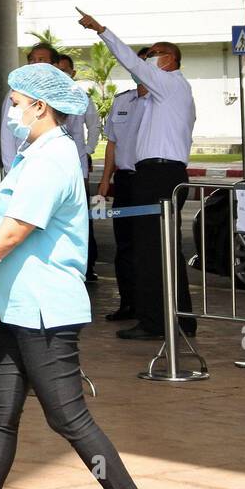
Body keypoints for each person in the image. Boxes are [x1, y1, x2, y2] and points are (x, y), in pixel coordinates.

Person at [0, 63, 144, 489]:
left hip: (43, 310)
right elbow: (24, 220)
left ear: (40, 107)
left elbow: (18, 232)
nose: (10, 112)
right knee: (0, 416)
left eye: (16, 104)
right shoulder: (34, 153)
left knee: (68, 419)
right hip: (13, 306)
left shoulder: (54, 157)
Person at [77, 10, 197, 340]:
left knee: (150, 250)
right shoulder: (164, 95)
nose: (150, 60)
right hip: (160, 173)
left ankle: (154, 323)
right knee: (166, 250)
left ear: (170, 59)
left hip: (159, 175)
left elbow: (131, 61)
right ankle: (181, 320)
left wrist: (101, 29)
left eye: (156, 54)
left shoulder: (169, 84)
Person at [96, 48, 150, 322]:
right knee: (125, 246)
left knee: (149, 246)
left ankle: (149, 307)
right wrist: (106, 179)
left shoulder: (160, 101)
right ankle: (128, 303)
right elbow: (112, 144)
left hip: (150, 180)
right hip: (126, 180)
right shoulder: (122, 101)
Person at [55, 54, 102, 283]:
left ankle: (87, 264)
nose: (62, 73)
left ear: (73, 73)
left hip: (77, 164)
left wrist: (88, 150)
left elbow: (94, 125)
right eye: (58, 69)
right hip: (54, 165)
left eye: (66, 70)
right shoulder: (47, 96)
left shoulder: (82, 97)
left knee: (82, 218)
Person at [0, 42, 59, 171]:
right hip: (26, 164)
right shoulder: (17, 92)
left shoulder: (62, 94)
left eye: (41, 60)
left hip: (56, 162)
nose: (35, 64)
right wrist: (10, 170)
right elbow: (7, 133)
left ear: (55, 65)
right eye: (32, 60)